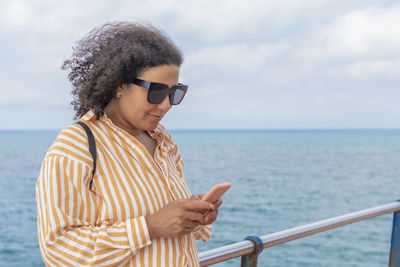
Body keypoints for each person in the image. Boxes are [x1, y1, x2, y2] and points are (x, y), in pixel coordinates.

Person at [35, 22, 222, 266]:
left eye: (173, 93)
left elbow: (168, 229)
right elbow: (58, 250)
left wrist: (193, 215)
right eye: (156, 91)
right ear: (119, 85)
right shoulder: (76, 146)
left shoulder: (163, 140)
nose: (165, 105)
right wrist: (149, 227)